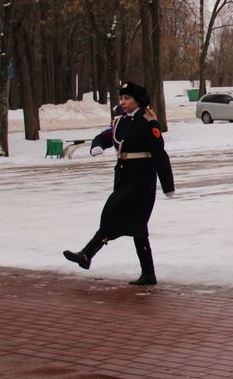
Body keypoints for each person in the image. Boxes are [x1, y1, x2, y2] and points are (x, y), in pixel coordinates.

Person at [62, 81, 174, 286]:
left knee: (111, 212)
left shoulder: (148, 123)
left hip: (141, 179)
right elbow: (104, 137)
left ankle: (87, 253)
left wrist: (168, 185)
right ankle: (148, 274)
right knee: (138, 227)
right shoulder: (119, 122)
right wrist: (97, 146)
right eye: (121, 98)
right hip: (124, 175)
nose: (123, 102)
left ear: (138, 100)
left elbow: (159, 154)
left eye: (127, 98)